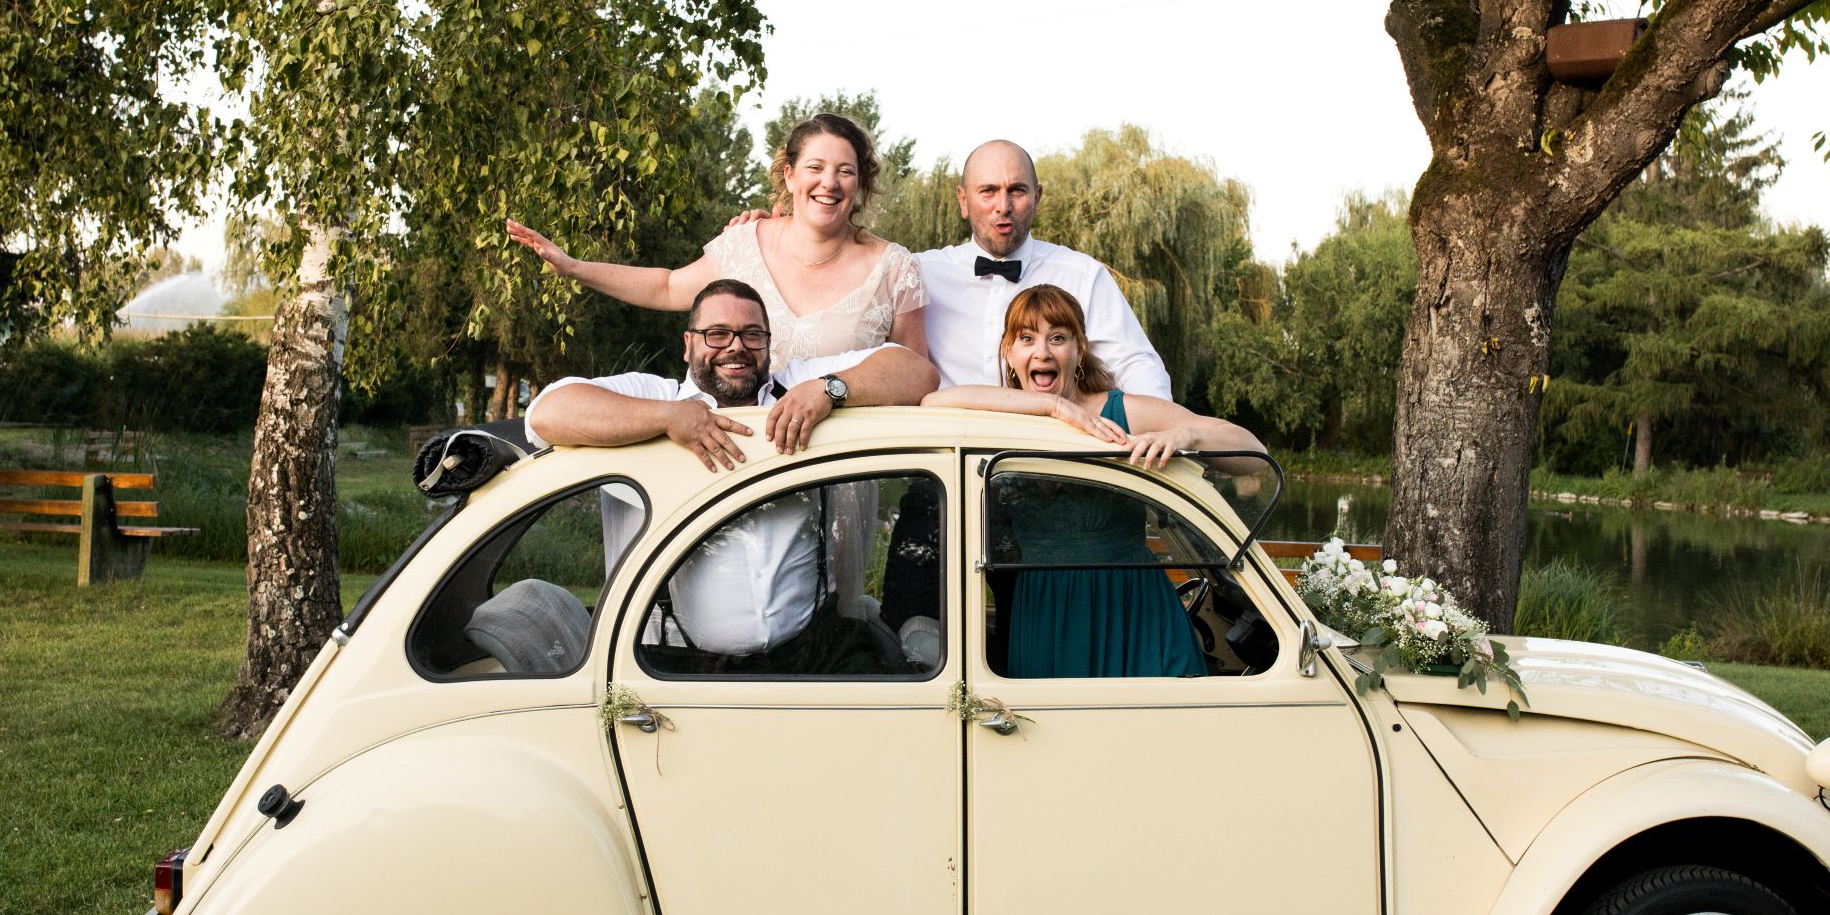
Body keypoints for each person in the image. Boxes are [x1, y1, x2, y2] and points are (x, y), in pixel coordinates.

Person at [524, 279, 936, 662]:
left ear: (768, 344)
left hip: (807, 660)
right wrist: (669, 418)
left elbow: (917, 373)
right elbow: (547, 412)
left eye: (751, 334)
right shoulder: (655, 396)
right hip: (673, 668)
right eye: (716, 334)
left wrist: (828, 389)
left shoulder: (800, 385)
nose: (735, 347)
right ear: (688, 344)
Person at [920, 284, 1263, 678]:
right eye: (1027, 339)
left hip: (1133, 609)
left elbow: (1250, 451)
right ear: (1008, 353)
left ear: (1079, 350)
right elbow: (933, 403)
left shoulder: (1119, 410)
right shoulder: (1003, 417)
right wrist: (1052, 406)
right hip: (1046, 613)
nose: (1043, 352)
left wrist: (1186, 436)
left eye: (1058, 338)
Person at [506, 112, 929, 366]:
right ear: (790, 174)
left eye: (845, 171)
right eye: (815, 167)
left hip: (844, 474)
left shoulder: (894, 268)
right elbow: (667, 286)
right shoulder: (743, 244)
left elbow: (915, 376)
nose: (829, 183)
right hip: (741, 472)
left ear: (861, 183)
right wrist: (574, 266)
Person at [917, 139, 1170, 396]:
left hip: (1053, 434)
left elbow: (1133, 364)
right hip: (949, 435)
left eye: (1017, 190)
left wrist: (1158, 426)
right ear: (963, 200)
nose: (1003, 207)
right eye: (988, 191)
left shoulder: (1084, 275)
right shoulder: (919, 275)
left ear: (1037, 198)